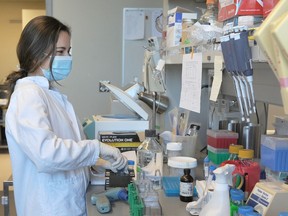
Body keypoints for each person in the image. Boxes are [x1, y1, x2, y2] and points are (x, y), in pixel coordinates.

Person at [5, 15, 127, 216]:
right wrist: (95, 149)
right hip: (49, 208)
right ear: (35, 54)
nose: (67, 57)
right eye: (60, 52)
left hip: (66, 203)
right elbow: (47, 154)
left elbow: (67, 149)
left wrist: (95, 163)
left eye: (68, 51)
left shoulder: (48, 94)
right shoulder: (28, 96)